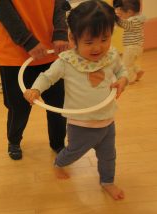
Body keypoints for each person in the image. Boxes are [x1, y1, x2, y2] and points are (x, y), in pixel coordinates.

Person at [24, 0, 128, 200]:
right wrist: (35, 89)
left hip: (107, 121)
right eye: (89, 42)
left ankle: (107, 181)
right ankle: (59, 163)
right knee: (73, 151)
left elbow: (121, 70)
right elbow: (47, 76)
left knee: (108, 156)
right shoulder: (67, 62)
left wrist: (123, 79)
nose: (98, 47)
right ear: (73, 38)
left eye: (105, 39)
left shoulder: (111, 56)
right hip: (81, 124)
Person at [0, 0, 69, 160]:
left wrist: (60, 31)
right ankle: (14, 141)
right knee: (18, 109)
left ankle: (58, 143)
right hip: (15, 56)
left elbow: (59, 2)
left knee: (58, 106)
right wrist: (27, 40)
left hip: (50, 51)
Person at [113, 0, 146, 84]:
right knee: (129, 61)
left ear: (130, 12)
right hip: (136, 47)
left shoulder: (133, 21)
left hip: (132, 47)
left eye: (122, 14)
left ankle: (130, 79)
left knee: (126, 64)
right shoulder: (138, 19)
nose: (122, 16)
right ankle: (138, 71)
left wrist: (117, 19)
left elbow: (125, 24)